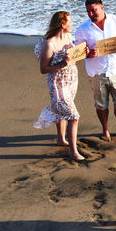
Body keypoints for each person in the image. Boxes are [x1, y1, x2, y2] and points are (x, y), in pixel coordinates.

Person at [75, 0, 116, 141]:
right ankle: (105, 130)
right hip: (96, 73)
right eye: (88, 11)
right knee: (101, 104)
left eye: (93, 10)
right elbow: (77, 53)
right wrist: (88, 54)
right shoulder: (82, 29)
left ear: (102, 7)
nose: (90, 14)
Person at [34, 11, 85, 161]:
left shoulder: (69, 37)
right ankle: (73, 151)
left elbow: (73, 58)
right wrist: (61, 64)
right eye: (70, 21)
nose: (72, 24)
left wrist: (83, 53)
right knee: (73, 116)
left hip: (71, 80)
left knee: (62, 112)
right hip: (58, 84)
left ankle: (61, 139)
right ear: (62, 24)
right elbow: (43, 69)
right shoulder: (50, 44)